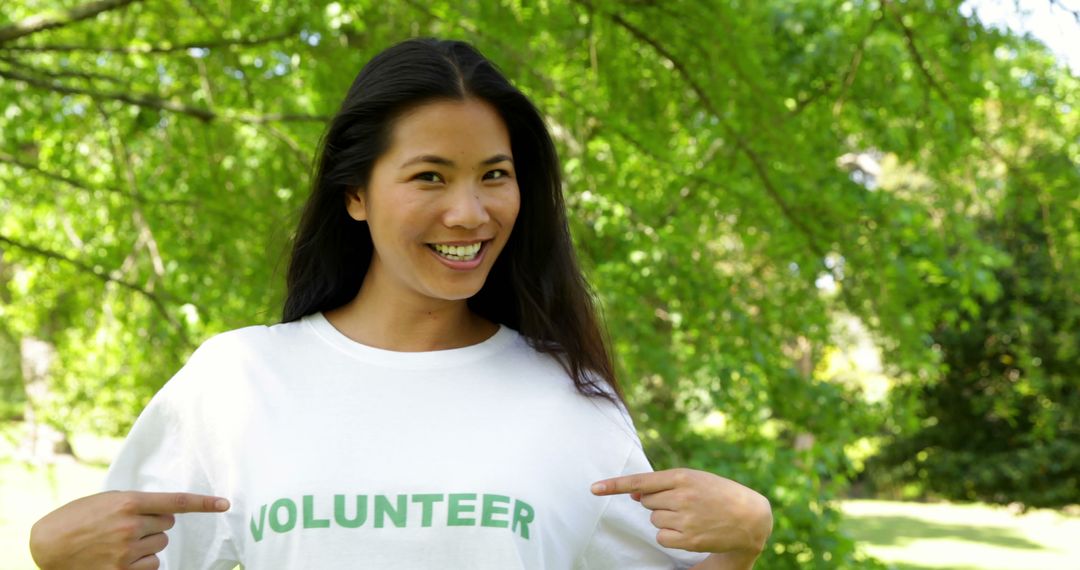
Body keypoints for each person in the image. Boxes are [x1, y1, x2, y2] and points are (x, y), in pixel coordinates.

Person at [28, 38, 773, 569]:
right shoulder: (237, 382)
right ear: (355, 193)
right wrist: (53, 559)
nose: (470, 213)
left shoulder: (568, 399)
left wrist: (739, 547)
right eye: (429, 177)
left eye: (494, 174)